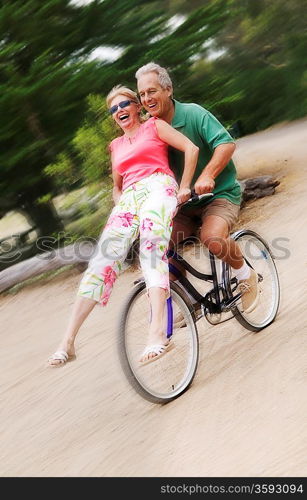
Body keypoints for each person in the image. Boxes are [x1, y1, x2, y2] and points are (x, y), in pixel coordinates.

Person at [48, 85, 199, 366]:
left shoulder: (155, 126)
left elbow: (191, 148)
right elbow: (117, 187)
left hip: (158, 185)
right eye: (113, 109)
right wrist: (121, 205)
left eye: (124, 104)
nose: (119, 111)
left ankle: (158, 333)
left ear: (137, 106)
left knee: (151, 251)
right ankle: (67, 341)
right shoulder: (115, 146)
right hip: (129, 198)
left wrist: (185, 186)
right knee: (102, 261)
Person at [135, 62, 259, 315]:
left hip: (218, 194)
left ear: (168, 90)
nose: (147, 98)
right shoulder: (149, 130)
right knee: (156, 245)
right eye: (142, 94)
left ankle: (246, 275)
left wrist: (207, 174)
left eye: (152, 91)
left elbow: (225, 144)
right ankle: (187, 302)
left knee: (212, 238)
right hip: (181, 204)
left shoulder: (193, 114)